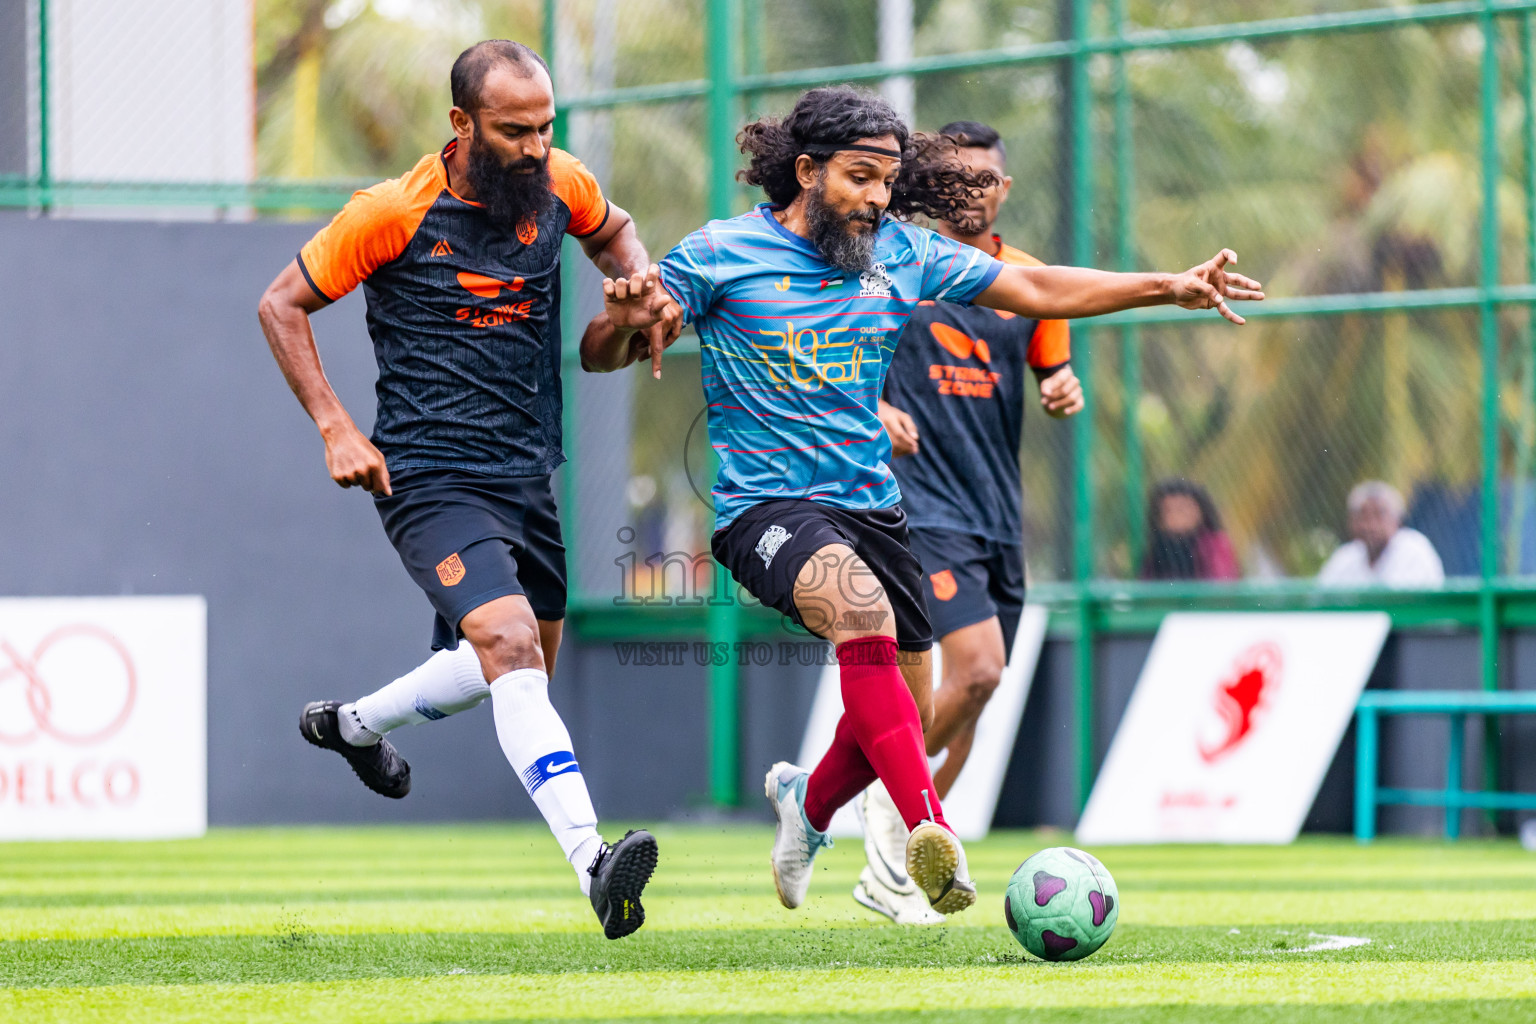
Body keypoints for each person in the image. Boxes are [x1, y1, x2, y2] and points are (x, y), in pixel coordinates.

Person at [594, 86, 1262, 918]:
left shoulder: (905, 254)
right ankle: (931, 833)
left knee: (896, 720)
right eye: (860, 176)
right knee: (862, 615)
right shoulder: (720, 253)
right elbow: (603, 352)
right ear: (806, 171)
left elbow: (1043, 289)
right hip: (764, 509)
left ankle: (808, 806)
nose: (877, 196)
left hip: (873, 506)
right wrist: (625, 320)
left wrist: (1169, 286)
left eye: (887, 179)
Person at [256, 40, 661, 940]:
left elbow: (617, 231)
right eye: (515, 129)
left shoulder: (563, 182)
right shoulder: (392, 211)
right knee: (512, 647)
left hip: (526, 469)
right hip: (426, 473)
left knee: (513, 666)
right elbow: (280, 304)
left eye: (546, 126)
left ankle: (352, 725)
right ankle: (596, 864)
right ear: (460, 125)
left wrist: (634, 284)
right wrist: (335, 426)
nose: (535, 145)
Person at [857, 120, 1081, 925]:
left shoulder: (1027, 281)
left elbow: (1053, 367)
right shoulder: (897, 270)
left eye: (984, 178)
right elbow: (836, 357)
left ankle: (877, 827)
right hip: (917, 504)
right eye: (955, 178)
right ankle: (899, 833)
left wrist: (1063, 388)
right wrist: (876, 404)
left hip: (996, 510)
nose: (971, 191)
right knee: (979, 669)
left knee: (975, 696)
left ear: (1004, 189)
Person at [1318, 480, 1444, 586]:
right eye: (1362, 517)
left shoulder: (1414, 549)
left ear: (1397, 520)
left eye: (1379, 515)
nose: (1370, 525)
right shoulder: (1346, 556)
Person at [1139, 478, 1241, 581]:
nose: (1176, 516)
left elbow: (1221, 584)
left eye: (1182, 509)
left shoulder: (1214, 544)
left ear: (1201, 512)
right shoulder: (1157, 548)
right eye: (1168, 510)